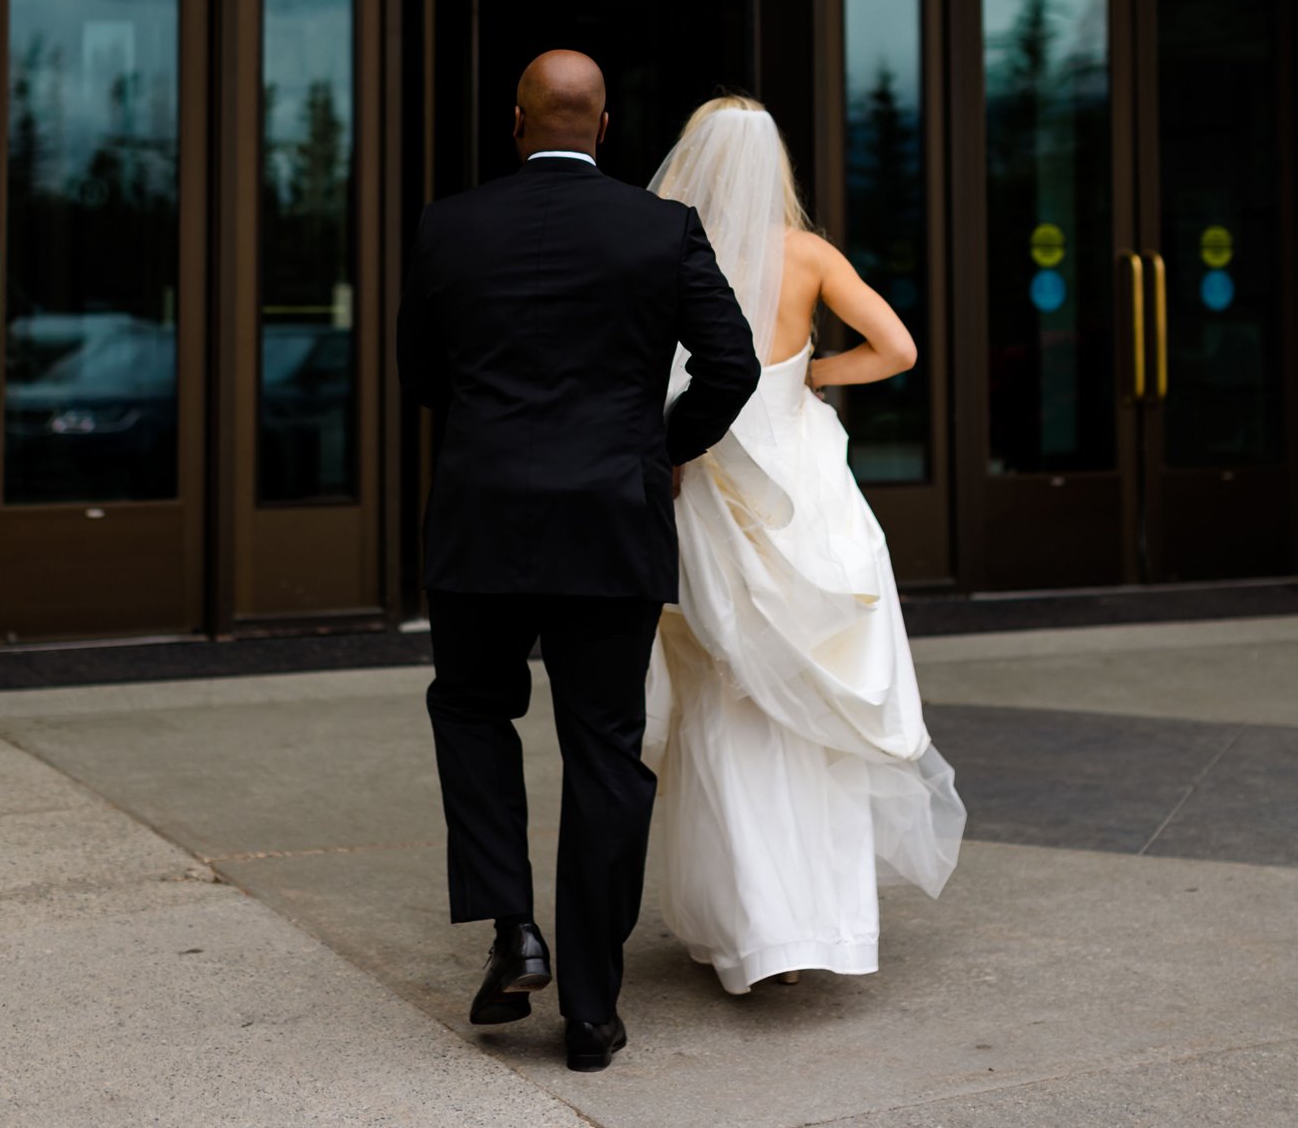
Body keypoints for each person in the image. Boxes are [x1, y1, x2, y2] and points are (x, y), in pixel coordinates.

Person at [397, 52, 760, 1071]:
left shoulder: (446, 226)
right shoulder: (660, 229)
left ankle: (512, 925)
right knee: (604, 746)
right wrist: (661, 447)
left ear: (516, 122)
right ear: (603, 127)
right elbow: (732, 365)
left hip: (480, 519)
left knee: (471, 709)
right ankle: (593, 1011)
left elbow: (420, 373)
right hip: (611, 519)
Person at [644, 94, 966, 995]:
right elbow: (897, 348)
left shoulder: (668, 249)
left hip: (710, 483)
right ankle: (820, 923)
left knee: (727, 701)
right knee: (810, 712)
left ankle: (747, 928)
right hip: (805, 487)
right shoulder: (809, 256)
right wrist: (811, 374)